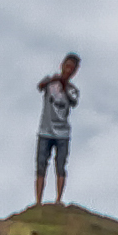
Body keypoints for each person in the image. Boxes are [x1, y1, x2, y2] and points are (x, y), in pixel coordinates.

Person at [33, 51, 80, 206]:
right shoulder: (50, 83)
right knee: (41, 166)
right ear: (62, 66)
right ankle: (38, 202)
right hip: (45, 131)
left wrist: (64, 85)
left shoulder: (73, 90)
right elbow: (39, 86)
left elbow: (73, 101)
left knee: (60, 166)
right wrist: (53, 80)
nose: (68, 71)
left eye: (72, 69)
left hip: (63, 134)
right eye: (67, 66)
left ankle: (58, 200)